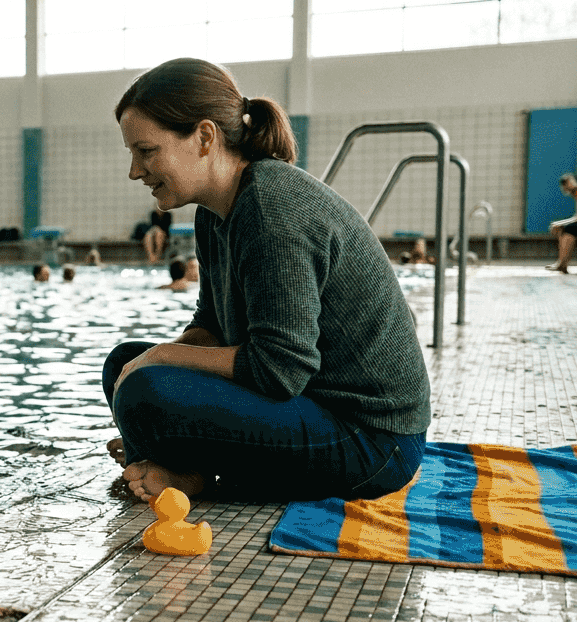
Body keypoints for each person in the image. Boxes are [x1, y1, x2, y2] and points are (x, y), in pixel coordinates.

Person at [105, 57, 429, 504]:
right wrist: (159, 375)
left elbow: (280, 370)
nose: (135, 171)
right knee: (125, 364)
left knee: (146, 382)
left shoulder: (271, 209)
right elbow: (211, 325)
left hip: (373, 440)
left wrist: (162, 363)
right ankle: (178, 468)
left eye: (146, 151)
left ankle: (185, 474)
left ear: (203, 137)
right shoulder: (212, 213)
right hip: (309, 406)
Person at [546, 173, 577, 274]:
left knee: (566, 230)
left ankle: (562, 264)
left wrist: (560, 224)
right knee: (565, 229)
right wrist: (560, 223)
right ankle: (562, 264)